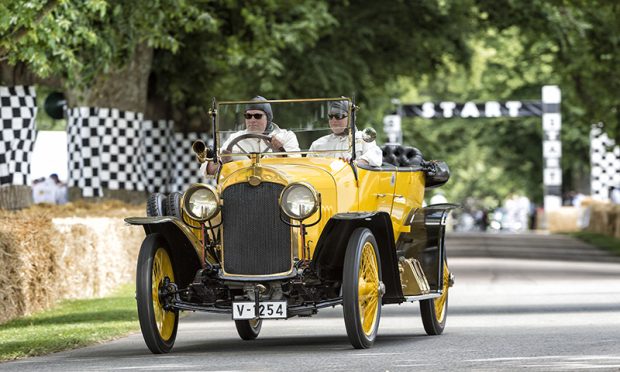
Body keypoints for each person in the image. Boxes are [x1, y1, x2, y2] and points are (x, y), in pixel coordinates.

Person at [203, 96, 300, 175]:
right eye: (248, 116)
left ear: (268, 118)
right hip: (240, 187)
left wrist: (281, 152)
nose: (252, 120)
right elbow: (209, 171)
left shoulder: (287, 137)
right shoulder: (234, 137)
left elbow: (298, 167)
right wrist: (221, 162)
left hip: (277, 186)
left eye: (257, 116)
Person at [308, 99, 382, 166]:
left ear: (351, 117)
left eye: (339, 116)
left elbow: (375, 156)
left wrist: (355, 162)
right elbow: (307, 168)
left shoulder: (363, 138)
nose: (333, 120)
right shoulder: (318, 144)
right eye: (330, 116)